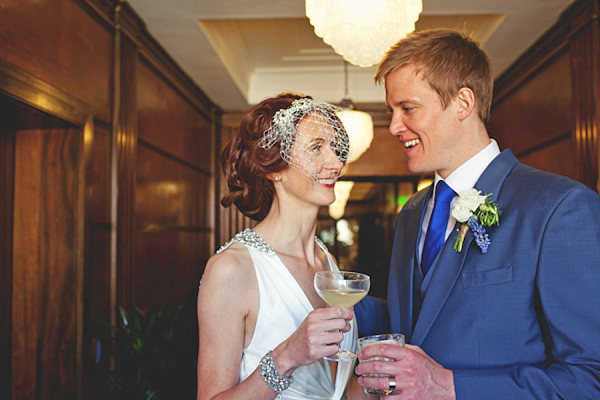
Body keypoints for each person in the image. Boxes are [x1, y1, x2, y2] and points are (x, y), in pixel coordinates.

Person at [354, 29, 600, 399]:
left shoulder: (559, 207)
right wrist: (329, 295)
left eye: (408, 108)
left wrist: (450, 386)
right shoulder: (412, 212)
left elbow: (589, 377)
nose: (392, 126)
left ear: (463, 102)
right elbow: (421, 320)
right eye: (392, 111)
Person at [197, 93, 368, 400]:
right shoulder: (232, 269)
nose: (336, 162)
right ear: (274, 169)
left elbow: (336, 392)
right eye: (316, 148)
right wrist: (287, 357)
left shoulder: (326, 261)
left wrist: (375, 377)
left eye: (334, 148)